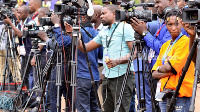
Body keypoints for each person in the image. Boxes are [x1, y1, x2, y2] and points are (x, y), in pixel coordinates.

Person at [65, 4, 135, 112]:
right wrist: (71, 34)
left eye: (104, 13)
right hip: (108, 77)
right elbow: (85, 48)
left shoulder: (125, 28)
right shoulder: (104, 32)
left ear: (114, 14)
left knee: (121, 109)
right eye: (101, 14)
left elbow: (134, 53)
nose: (101, 16)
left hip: (123, 76)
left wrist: (117, 61)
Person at [130, 0, 189, 111]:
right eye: (169, 25)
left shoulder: (180, 23)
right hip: (162, 83)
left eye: (158, 2)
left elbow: (163, 53)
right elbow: (155, 73)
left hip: (178, 88)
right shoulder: (162, 22)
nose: (155, 5)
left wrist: (144, 33)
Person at [152, 9, 194, 112]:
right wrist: (169, 71)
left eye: (176, 24)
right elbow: (154, 74)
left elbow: (169, 67)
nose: (173, 28)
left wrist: (163, 69)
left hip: (180, 95)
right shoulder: (165, 46)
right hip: (165, 94)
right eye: (170, 24)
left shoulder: (185, 42)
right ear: (166, 25)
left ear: (181, 23)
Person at [38, 14, 72, 112]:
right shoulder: (65, 33)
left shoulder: (68, 35)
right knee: (66, 96)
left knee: (55, 96)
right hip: (63, 66)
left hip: (62, 66)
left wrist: (46, 39)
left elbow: (60, 45)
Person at [3, 5, 35, 89]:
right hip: (24, 53)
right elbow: (13, 34)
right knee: (24, 76)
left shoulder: (31, 22)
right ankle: (26, 96)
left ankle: (34, 97)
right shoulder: (20, 23)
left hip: (32, 53)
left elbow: (21, 34)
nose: (18, 14)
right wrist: (9, 27)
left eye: (20, 12)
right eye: (17, 12)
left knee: (33, 76)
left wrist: (10, 23)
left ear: (27, 13)